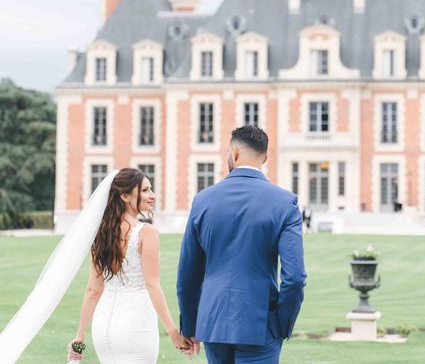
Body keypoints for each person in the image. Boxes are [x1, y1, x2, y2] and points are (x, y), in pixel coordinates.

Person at [177, 126, 306, 364]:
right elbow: (295, 277)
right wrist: (281, 323)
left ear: (233, 152)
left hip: (213, 322)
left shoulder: (203, 200)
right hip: (260, 322)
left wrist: (190, 325)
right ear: (265, 158)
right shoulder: (285, 203)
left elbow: (188, 273)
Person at [67, 168, 193, 362]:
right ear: (125, 196)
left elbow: (93, 289)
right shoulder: (147, 232)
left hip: (103, 329)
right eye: (145, 190)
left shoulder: (100, 234)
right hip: (136, 326)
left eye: (151, 189)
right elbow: (152, 285)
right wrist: (173, 332)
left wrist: (79, 337)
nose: (152, 195)